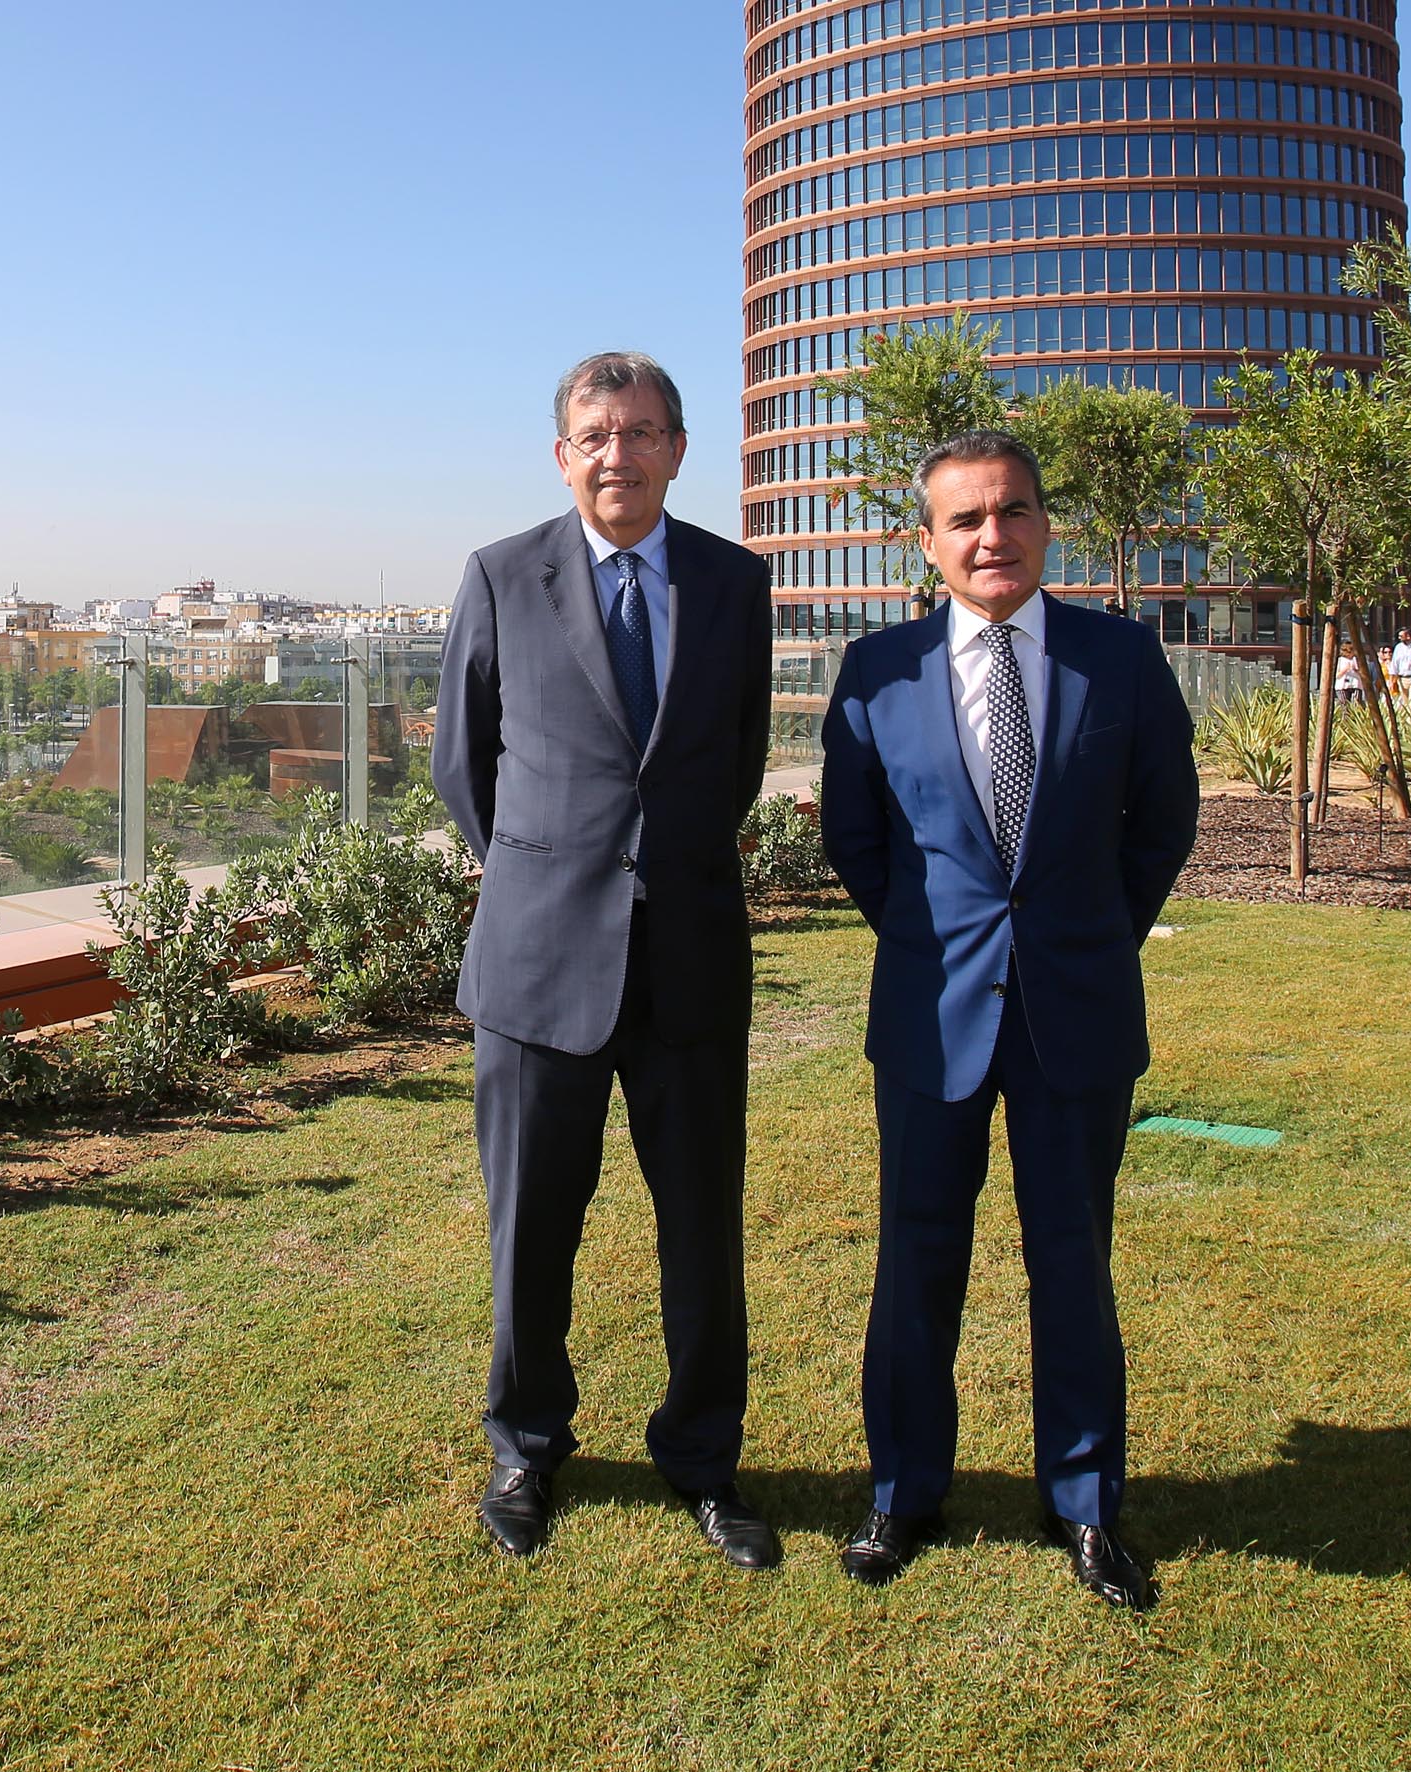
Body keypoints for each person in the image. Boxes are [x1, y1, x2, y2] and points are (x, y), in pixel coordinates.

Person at [817, 431, 1200, 1610]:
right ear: (924, 541)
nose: (993, 536)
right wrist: (939, 942)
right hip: (930, 1017)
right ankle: (903, 1487)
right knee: (914, 1260)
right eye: (966, 520)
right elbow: (857, 841)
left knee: (1072, 1263)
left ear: (1045, 523)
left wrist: (1080, 938)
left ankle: (1083, 1501)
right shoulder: (874, 669)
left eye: (1014, 511)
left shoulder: (1121, 659)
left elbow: (1161, 824)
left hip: (1076, 1015)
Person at [433, 352, 778, 1563]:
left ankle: (703, 1456)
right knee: (528, 1229)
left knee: (701, 1230)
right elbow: (461, 769)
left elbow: (730, 763)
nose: (615, 453)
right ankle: (525, 1447)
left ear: (679, 449)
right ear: (560, 450)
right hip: (535, 965)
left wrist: (649, 867)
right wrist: (548, 869)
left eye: (639, 432)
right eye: (594, 432)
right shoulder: (497, 575)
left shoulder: (737, 584)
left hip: (686, 958)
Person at [1388, 627, 1411, 709]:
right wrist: (1392, 681)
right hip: (1402, 679)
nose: (1399, 638)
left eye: (1401, 636)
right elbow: (1394, 664)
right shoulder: (1398, 647)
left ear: (1408, 636)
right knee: (1403, 704)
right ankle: (1404, 722)